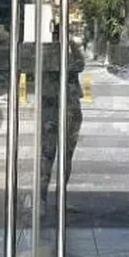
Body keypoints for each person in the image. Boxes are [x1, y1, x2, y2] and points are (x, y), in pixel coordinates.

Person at [40, 35, 85, 212]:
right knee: (48, 156)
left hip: (68, 111)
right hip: (55, 112)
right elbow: (79, 63)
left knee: (63, 157)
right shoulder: (50, 65)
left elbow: (80, 64)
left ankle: (57, 199)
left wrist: (72, 46)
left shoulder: (69, 65)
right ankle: (43, 200)